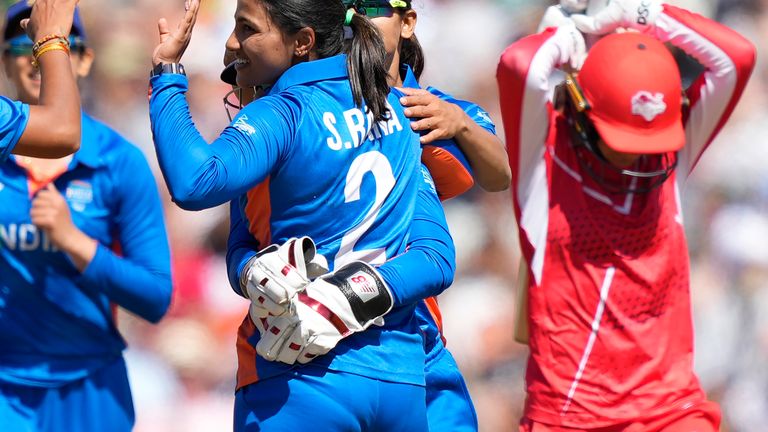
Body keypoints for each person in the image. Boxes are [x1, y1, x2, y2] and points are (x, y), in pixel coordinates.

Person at [150, 0, 455, 430]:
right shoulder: (396, 108)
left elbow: (193, 182)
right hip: (397, 378)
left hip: (297, 378)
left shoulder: (284, 111)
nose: (230, 46)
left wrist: (165, 75)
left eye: (247, 28)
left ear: (302, 42)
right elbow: (435, 258)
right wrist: (251, 272)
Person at [496, 0, 755, 430]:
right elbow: (518, 65)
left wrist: (645, 16)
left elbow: (737, 58)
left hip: (673, 411)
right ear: (582, 109)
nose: (641, 151)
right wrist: (565, 40)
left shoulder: (670, 145)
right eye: (624, 135)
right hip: (570, 419)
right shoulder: (543, 162)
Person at [0, 3, 172, 431]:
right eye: (25, 43)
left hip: (91, 384)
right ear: (4, 60)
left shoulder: (119, 162)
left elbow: (155, 297)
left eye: (61, 43)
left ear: (83, 59)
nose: (40, 55)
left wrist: (75, 243)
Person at [344, 1, 511, 431]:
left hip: (414, 330)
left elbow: (500, 175)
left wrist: (460, 124)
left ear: (408, 23)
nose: (358, 15)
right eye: (346, 6)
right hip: (337, 336)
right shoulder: (322, 105)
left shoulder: (434, 106)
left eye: (374, 6)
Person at [1, 0, 81, 160]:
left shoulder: (119, 156)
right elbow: (61, 129)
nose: (36, 59)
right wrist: (50, 39)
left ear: (86, 60)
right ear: (5, 63)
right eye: (23, 47)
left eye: (67, 44)